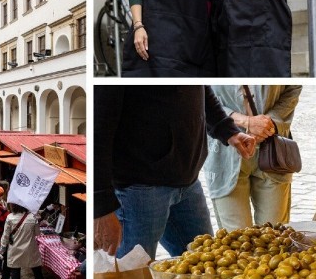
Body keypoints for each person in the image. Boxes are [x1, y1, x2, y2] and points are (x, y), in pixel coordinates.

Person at [94, 86, 256, 259]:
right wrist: (101, 208)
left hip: (188, 182)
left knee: (204, 268)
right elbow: (99, 125)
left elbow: (202, 90)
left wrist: (228, 131)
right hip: (139, 189)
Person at [203, 85, 302, 230]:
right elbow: (199, 97)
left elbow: (293, 87)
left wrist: (269, 122)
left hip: (273, 153)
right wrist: (246, 121)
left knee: (274, 234)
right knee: (237, 238)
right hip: (224, 152)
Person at [0, 203, 50, 279]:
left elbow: (5, 237)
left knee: (15, 274)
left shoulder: (10, 218)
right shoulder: (33, 218)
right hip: (30, 250)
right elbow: (37, 234)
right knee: (38, 274)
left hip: (14, 249)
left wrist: (2, 250)